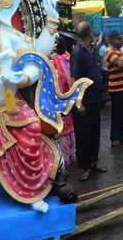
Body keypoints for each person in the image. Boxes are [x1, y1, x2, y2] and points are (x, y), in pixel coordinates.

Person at [71, 21, 105, 181]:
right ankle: (84, 167)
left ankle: (93, 163)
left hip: (94, 99)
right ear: (89, 34)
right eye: (92, 32)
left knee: (94, 134)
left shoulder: (88, 50)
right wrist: (79, 103)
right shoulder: (77, 53)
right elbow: (74, 80)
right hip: (85, 103)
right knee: (83, 137)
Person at [52, 36, 76, 165]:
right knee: (71, 126)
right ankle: (72, 154)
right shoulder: (69, 58)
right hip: (71, 96)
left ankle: (66, 158)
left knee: (62, 129)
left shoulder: (54, 61)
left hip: (59, 99)